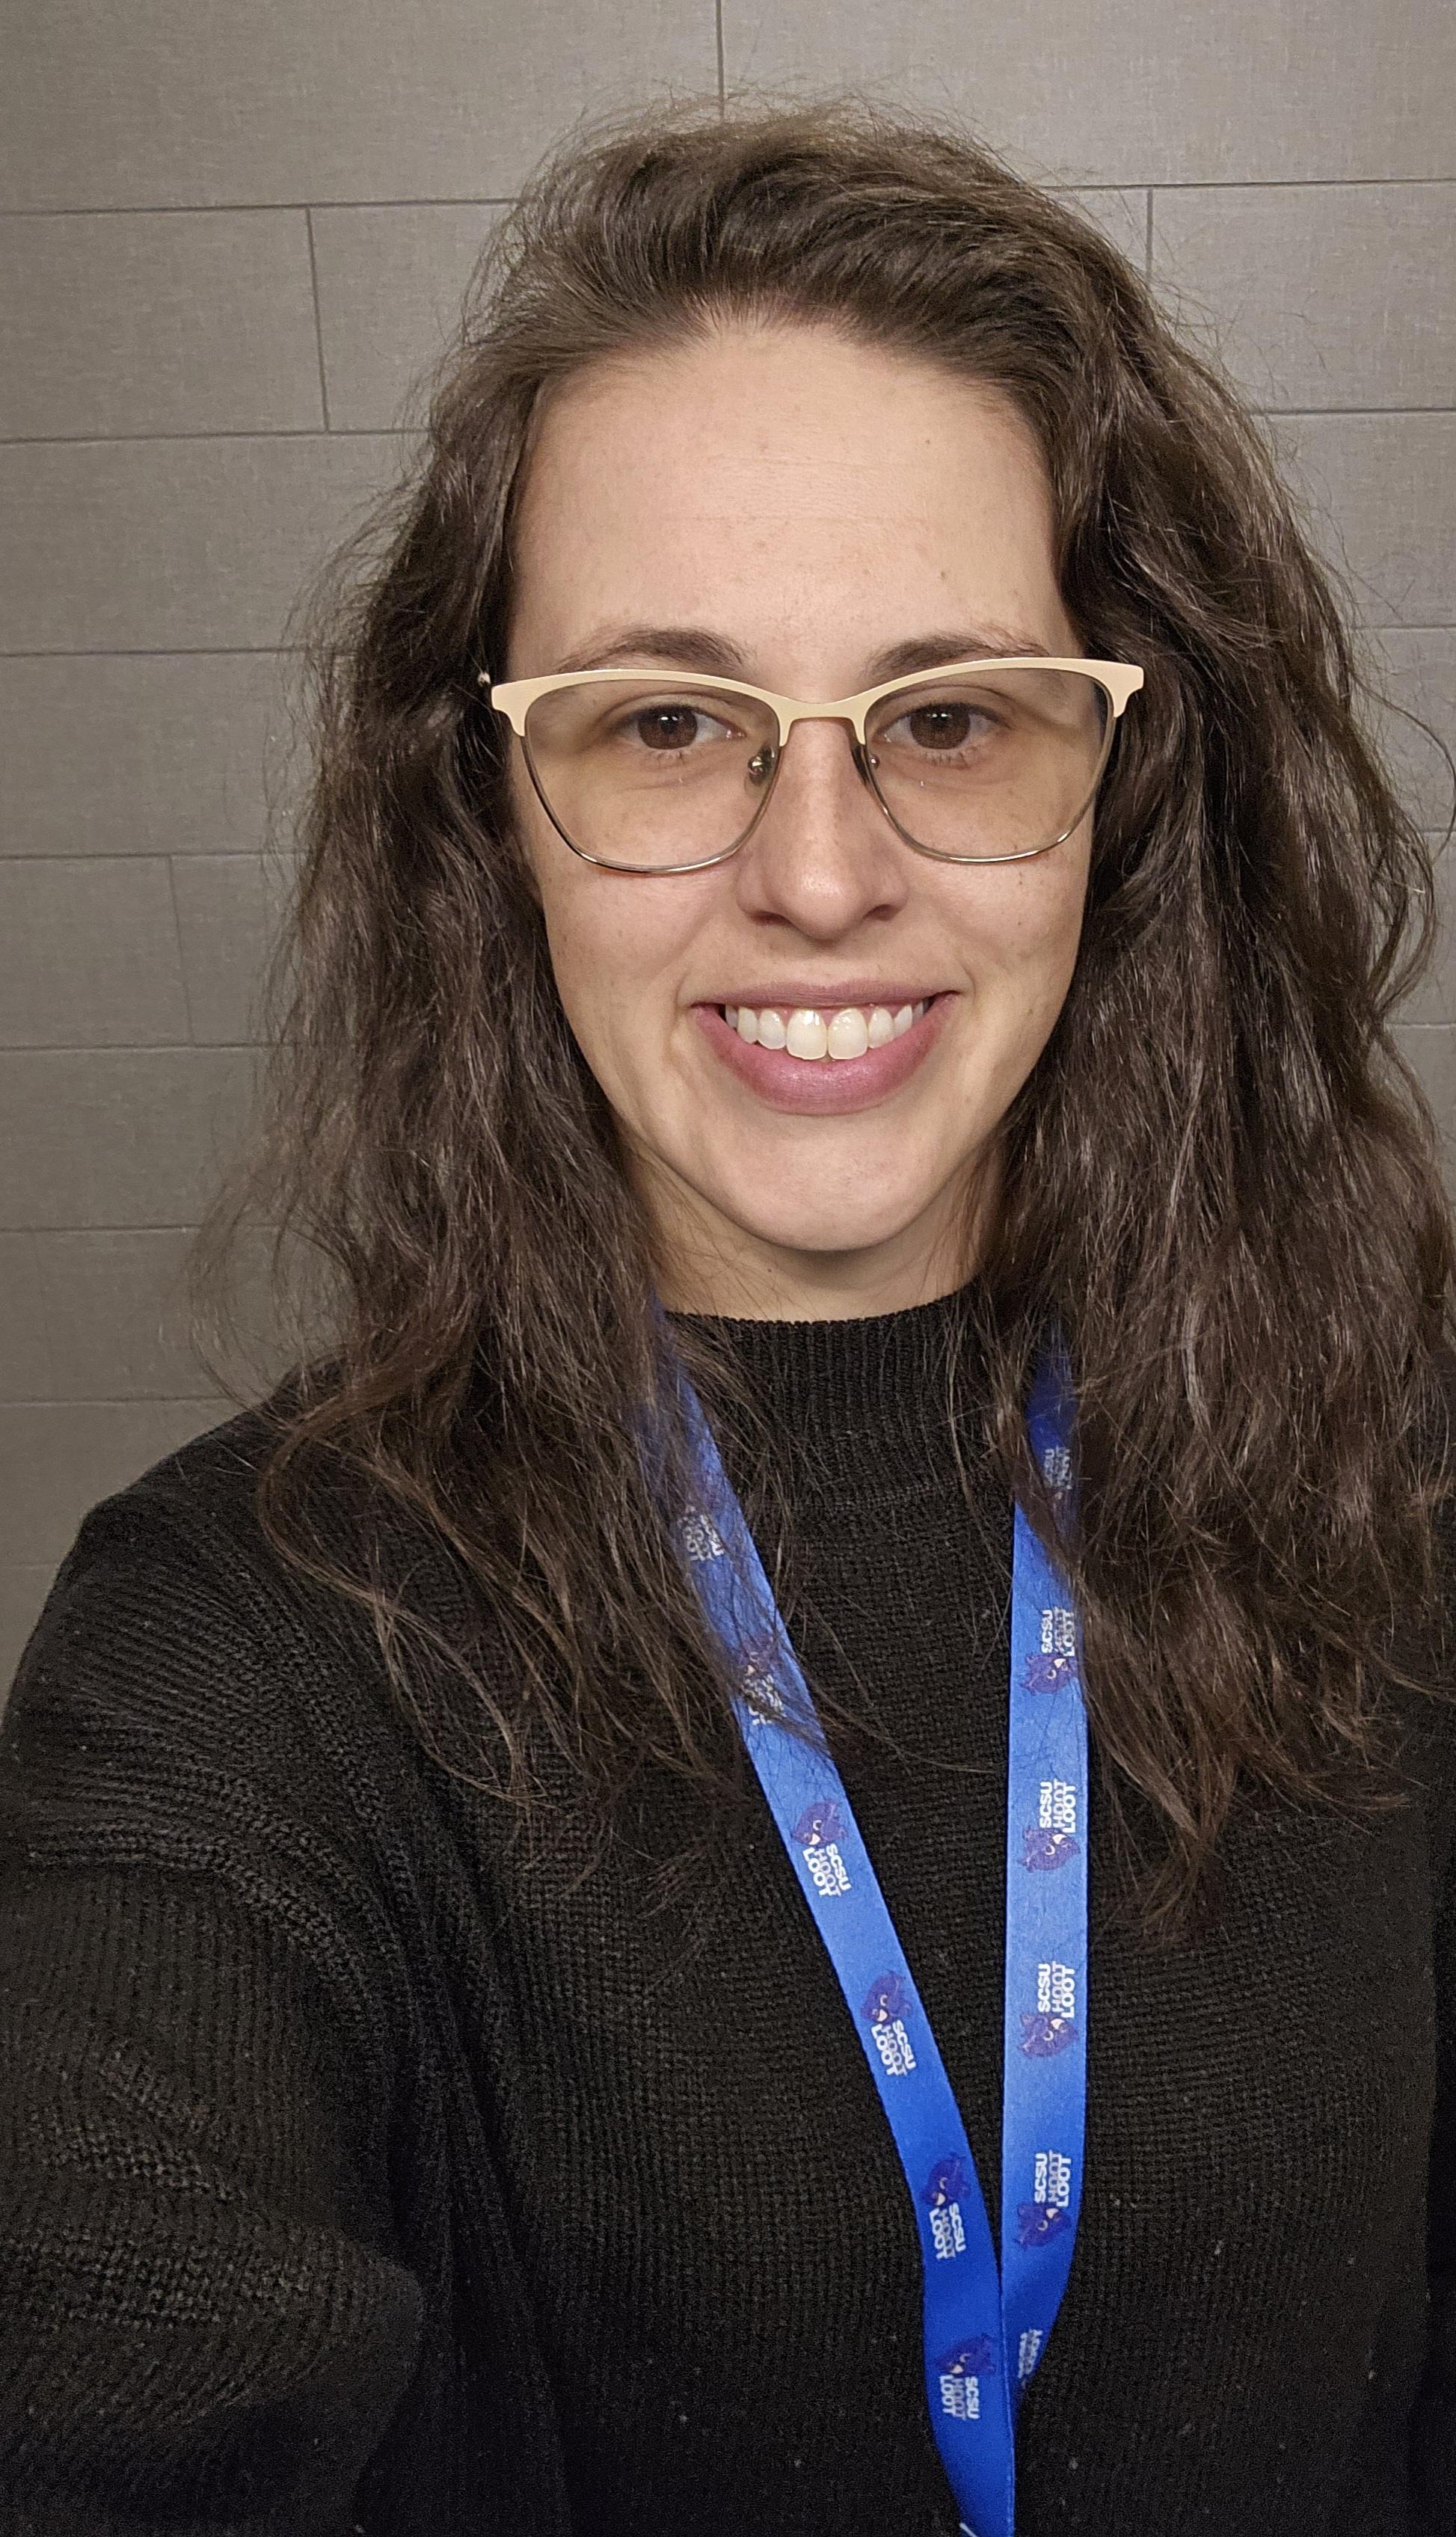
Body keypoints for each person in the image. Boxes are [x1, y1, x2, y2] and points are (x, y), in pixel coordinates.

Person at [1, 97, 1453, 2537]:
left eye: (951, 715)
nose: (817, 873)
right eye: (665, 724)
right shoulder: (233, 1653)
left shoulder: (1400, 1486)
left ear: (1121, 787)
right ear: (494, 815)